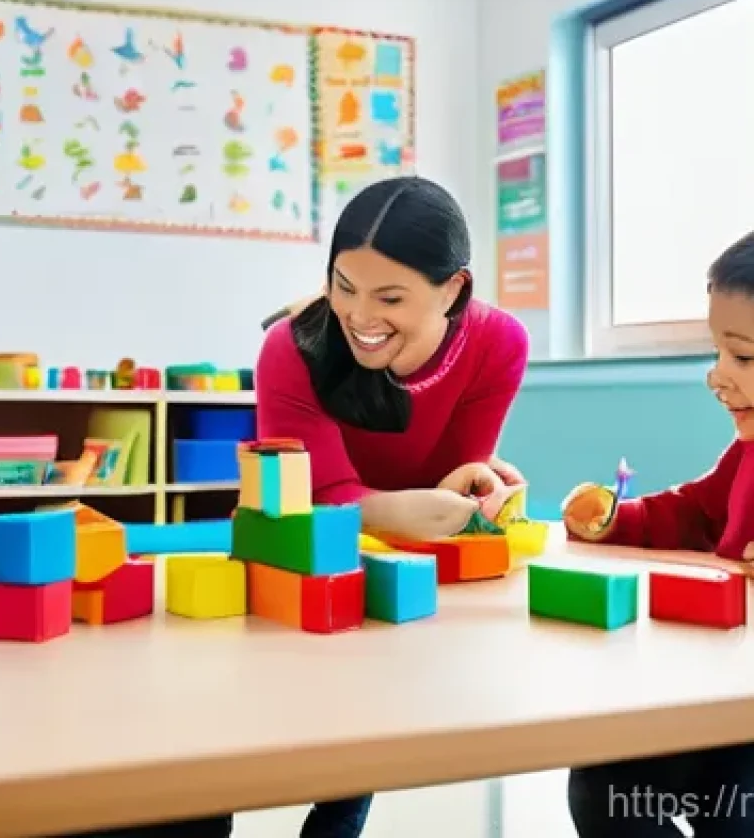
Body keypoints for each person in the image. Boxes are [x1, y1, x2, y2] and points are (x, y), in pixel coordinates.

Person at [252, 175, 531, 835]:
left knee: (365, 723)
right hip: (301, 553)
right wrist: (382, 514)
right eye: (343, 286)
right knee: (274, 706)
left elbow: (452, 478)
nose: (360, 317)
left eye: (391, 297)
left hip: (399, 572)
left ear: (454, 289)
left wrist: (476, 491)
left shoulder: (499, 344)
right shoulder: (291, 349)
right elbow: (310, 500)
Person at [561, 229, 754, 836]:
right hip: (720, 700)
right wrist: (621, 520)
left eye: (743, 356)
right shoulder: (747, 454)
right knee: (602, 782)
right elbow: (698, 511)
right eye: (719, 352)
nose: (717, 377)